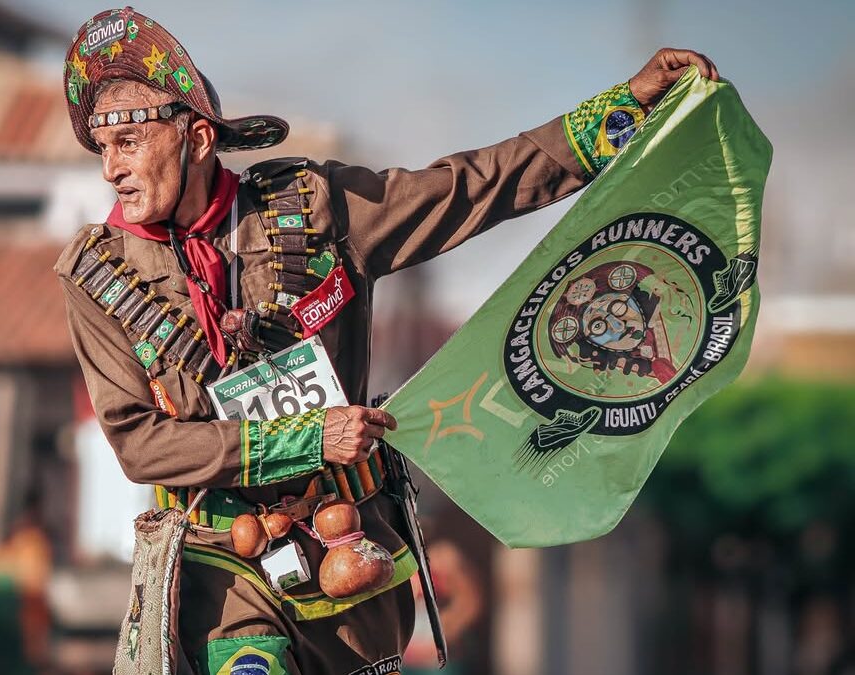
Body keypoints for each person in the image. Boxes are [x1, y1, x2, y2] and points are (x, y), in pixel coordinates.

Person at [53, 7, 719, 674]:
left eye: (130, 142)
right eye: (103, 148)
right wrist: (310, 437)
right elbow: (140, 445)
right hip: (216, 568)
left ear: (196, 137)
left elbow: (470, 188)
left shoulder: (315, 207)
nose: (111, 168)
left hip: (349, 547)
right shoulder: (96, 275)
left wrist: (618, 113)